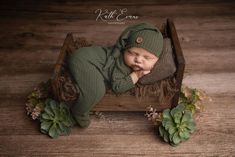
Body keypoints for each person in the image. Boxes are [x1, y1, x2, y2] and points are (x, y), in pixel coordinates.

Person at [67, 23, 163, 128]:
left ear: (157, 59)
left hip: (87, 58)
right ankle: (78, 111)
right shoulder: (121, 65)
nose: (138, 60)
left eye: (147, 58)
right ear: (125, 50)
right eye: (132, 53)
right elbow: (117, 87)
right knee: (97, 90)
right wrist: (136, 74)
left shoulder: (148, 59)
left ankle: (80, 85)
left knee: (96, 81)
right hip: (83, 61)